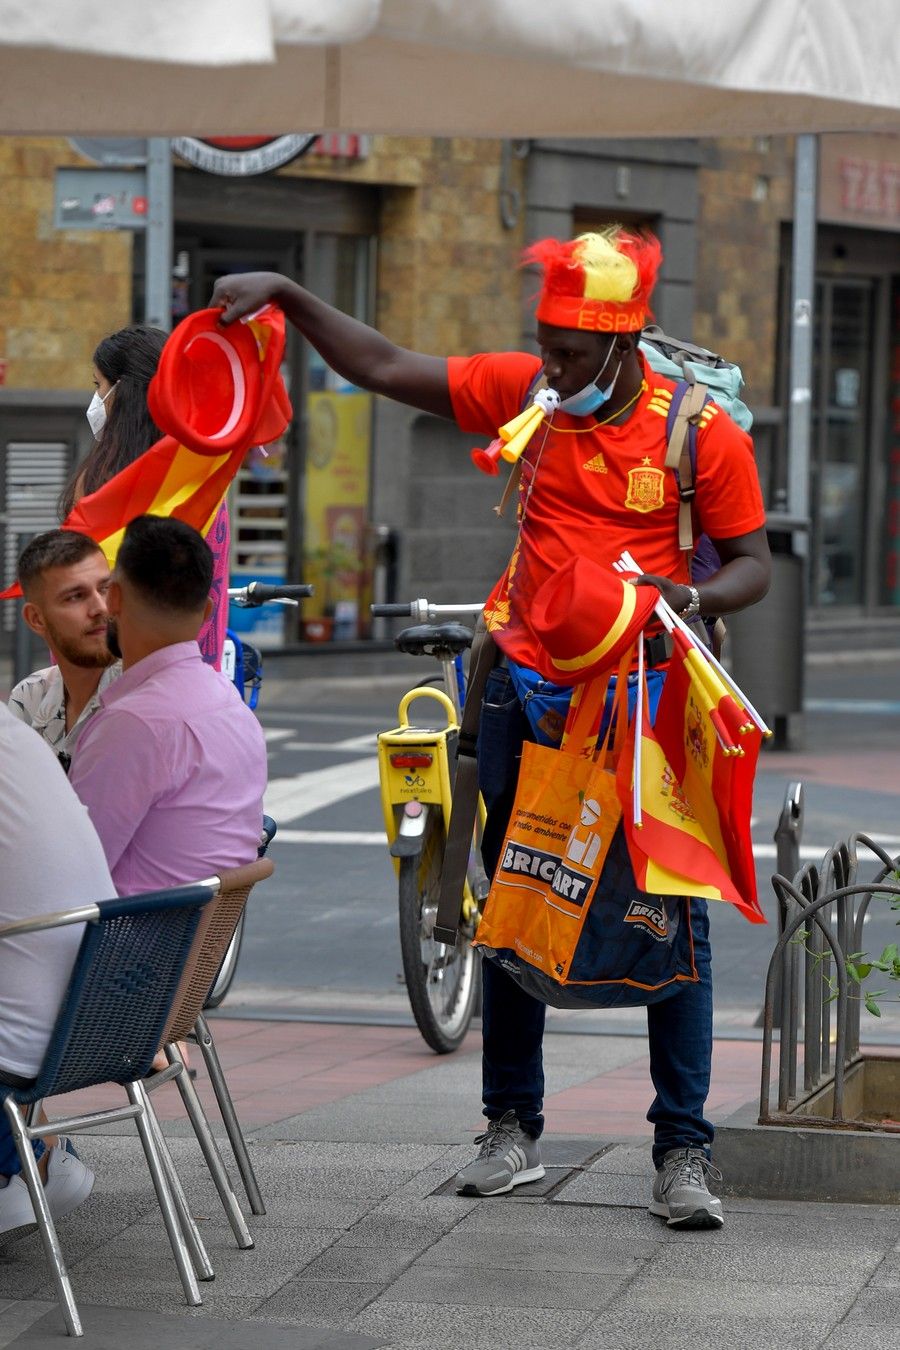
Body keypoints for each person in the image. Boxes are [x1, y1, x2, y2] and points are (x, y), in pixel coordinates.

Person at [210, 226, 771, 1230]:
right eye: (542, 345)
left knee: (671, 915)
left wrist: (686, 597)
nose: (547, 367)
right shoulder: (532, 399)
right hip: (523, 689)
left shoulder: (700, 434)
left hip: (644, 700)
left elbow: (754, 564)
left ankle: (684, 1151)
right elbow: (383, 364)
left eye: (566, 351)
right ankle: (510, 1127)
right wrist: (291, 296)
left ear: (621, 342)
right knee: (513, 899)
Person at [69, 515, 267, 896]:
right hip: (193, 943)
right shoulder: (229, 701)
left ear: (114, 598)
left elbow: (69, 870)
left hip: (120, 945)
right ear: (208, 613)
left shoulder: (133, 724)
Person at [58, 324, 230, 669]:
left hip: (112, 676)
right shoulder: (203, 478)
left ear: (123, 393)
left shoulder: (102, 485)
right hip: (194, 669)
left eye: (99, 385)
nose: (96, 399)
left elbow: (79, 593)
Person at [0, 702, 110, 1234]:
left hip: (25, 1044)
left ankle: (19, 1166)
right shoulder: (18, 735)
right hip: (98, 1019)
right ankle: (31, 1155)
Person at [7, 531, 120, 769]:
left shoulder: (143, 695)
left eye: (105, 588)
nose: (100, 608)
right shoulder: (30, 696)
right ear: (36, 619)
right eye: (75, 597)